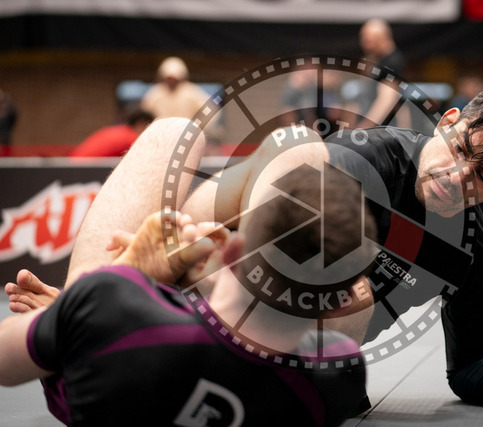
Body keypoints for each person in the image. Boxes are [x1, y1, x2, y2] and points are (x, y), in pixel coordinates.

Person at [8, 90, 483, 421]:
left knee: (340, 252)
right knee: (196, 137)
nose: (455, 176)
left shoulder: (474, 254)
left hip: (265, 355)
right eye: (459, 150)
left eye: (482, 177)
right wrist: (135, 289)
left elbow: (474, 363)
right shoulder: (362, 158)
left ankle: (81, 315)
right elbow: (229, 247)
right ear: (447, 121)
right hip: (204, 299)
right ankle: (87, 307)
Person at [1, 118, 372, 426]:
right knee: (300, 148)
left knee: (174, 133)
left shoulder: (106, 305)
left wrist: (116, 278)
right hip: (205, 338)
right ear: (337, 304)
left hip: (104, 348)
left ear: (232, 250)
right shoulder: (341, 377)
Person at [350, 19, 407, 128]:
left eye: (369, 41)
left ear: (382, 38)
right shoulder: (377, 59)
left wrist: (363, 128)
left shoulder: (392, 62)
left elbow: (387, 100)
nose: (364, 45)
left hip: (384, 129)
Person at [69, 108, 155, 157]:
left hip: (72, 166)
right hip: (81, 170)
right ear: (140, 123)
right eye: (149, 125)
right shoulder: (130, 138)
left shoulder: (119, 130)